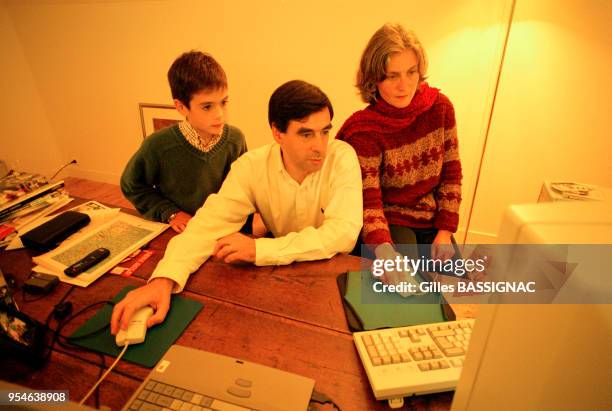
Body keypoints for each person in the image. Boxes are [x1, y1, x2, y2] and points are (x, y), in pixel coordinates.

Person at [111, 80, 363, 334]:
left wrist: (258, 249)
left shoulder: (342, 157)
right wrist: (163, 280)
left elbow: (343, 235)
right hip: (281, 281)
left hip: (333, 280)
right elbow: (206, 227)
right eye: (306, 134)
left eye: (325, 131)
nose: (320, 145)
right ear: (277, 133)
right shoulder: (251, 167)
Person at [336, 23, 462, 283]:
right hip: (388, 218)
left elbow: (451, 174)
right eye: (392, 76)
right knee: (406, 286)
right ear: (374, 79)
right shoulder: (364, 131)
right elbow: (368, 201)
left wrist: (445, 231)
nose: (404, 85)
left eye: (411, 72)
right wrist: (384, 249)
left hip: (430, 216)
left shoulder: (440, 108)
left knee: (455, 285)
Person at [120, 51, 247, 233]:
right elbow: (132, 185)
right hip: (180, 232)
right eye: (207, 106)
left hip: (224, 230)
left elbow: (241, 189)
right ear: (180, 107)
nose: (220, 113)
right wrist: (170, 212)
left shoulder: (235, 139)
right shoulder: (157, 145)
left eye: (224, 102)